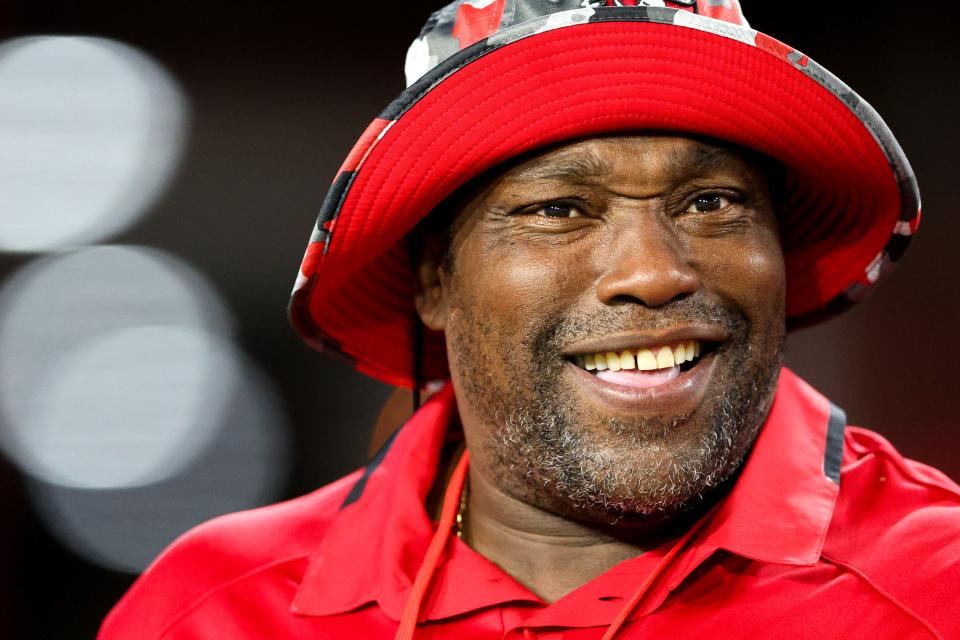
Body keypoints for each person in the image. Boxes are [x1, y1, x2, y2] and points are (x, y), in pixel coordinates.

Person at [100, 1, 960, 638]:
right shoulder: (209, 609)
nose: (655, 272)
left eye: (710, 201)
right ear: (434, 280)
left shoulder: (936, 591)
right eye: (558, 209)